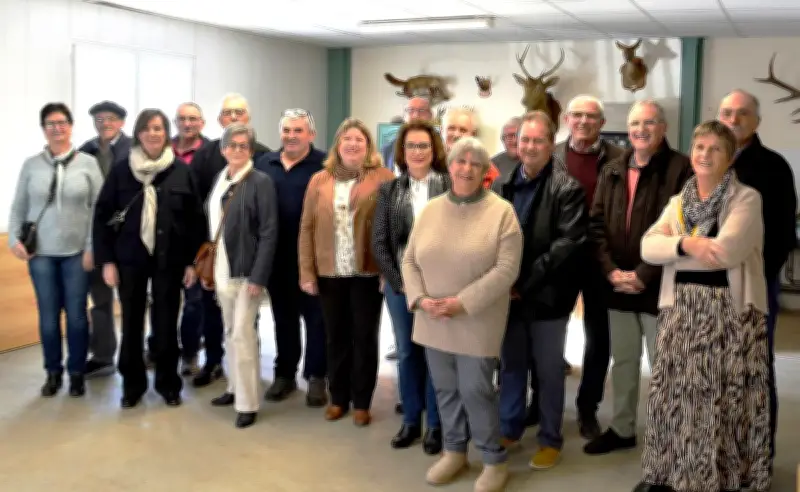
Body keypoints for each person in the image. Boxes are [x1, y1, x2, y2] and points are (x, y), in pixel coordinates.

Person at [634, 120, 770, 492]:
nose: (705, 155)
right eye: (700, 147)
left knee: (721, 398)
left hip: (728, 315)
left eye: (715, 149)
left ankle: (722, 476)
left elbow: (725, 253)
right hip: (680, 313)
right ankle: (670, 473)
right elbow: (647, 247)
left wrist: (673, 248)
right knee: (675, 396)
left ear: (729, 158)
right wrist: (688, 246)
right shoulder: (678, 202)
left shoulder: (746, 199)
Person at [402, 136, 523, 492]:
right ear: (450, 166)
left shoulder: (502, 212)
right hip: (432, 317)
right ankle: (454, 452)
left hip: (476, 319)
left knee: (476, 390)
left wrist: (461, 302)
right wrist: (421, 300)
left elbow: (506, 270)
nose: (466, 168)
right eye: (460, 161)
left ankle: (492, 459)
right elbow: (409, 259)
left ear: (486, 170)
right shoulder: (431, 209)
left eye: (475, 163)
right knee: (445, 389)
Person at [584, 100, 692, 455]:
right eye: (634, 123)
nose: (640, 130)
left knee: (664, 367)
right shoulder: (612, 169)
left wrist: (643, 274)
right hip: (617, 286)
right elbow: (596, 225)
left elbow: (681, 229)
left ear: (662, 128)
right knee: (624, 360)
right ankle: (622, 428)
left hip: (659, 287)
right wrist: (611, 271)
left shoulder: (681, 169)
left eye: (649, 123)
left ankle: (668, 439)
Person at [92, 109, 206, 408]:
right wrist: (107, 261)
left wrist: (193, 262)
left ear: (166, 134)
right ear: (138, 133)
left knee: (167, 322)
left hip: (170, 261)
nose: (153, 133)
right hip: (129, 260)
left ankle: (168, 385)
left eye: (159, 128)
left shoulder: (182, 171)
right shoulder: (121, 170)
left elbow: (196, 221)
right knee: (131, 323)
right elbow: (102, 216)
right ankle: (132, 386)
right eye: (147, 128)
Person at [496, 111, 588, 470]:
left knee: (548, 371)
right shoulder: (503, 184)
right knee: (512, 366)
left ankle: (550, 438)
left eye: (538, 140)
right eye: (524, 140)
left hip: (548, 296)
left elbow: (567, 244)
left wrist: (523, 282)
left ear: (551, 145)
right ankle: (511, 427)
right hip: (510, 296)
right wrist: (505, 283)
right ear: (515, 143)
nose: (530, 146)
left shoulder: (568, 188)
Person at [298, 118, 395, 426]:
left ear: (368, 146)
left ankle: (363, 401)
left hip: (367, 272)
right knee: (335, 336)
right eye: (347, 139)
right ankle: (339, 397)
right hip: (329, 272)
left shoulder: (383, 178)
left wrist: (388, 270)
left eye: (359, 139)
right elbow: (307, 227)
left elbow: (392, 227)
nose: (353, 144)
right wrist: (307, 271)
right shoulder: (319, 180)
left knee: (364, 337)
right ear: (338, 144)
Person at [717, 89, 797, 459]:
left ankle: (757, 455)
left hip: (754, 287)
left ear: (757, 121)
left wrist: (756, 279)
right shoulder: (704, 160)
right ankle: (719, 453)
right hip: (707, 289)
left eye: (742, 113)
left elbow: (781, 234)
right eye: (727, 112)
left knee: (755, 373)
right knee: (716, 373)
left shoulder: (773, 166)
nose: (733, 119)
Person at [8, 102, 103, 397]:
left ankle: (76, 372)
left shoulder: (88, 163)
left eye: (62, 122)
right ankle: (52, 372)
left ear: (71, 126)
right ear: (43, 129)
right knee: (48, 318)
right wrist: (14, 240)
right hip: (41, 256)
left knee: (76, 317)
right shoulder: (31, 165)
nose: (57, 128)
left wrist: (91, 248)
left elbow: (99, 210)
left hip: (77, 254)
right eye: (50, 123)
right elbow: (19, 207)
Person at [372, 119, 450, 455]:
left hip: (441, 286)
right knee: (407, 354)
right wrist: (401, 284)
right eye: (411, 146)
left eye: (423, 146)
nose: (417, 152)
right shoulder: (390, 190)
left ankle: (435, 425)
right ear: (402, 152)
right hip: (401, 286)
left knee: (435, 355)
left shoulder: (450, 185)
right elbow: (380, 243)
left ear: (434, 150)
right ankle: (410, 421)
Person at [189, 93, 272, 388]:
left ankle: (248, 377)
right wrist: (200, 256)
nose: (233, 117)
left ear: (247, 117)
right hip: (214, 255)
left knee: (246, 326)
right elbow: (196, 204)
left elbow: (265, 219)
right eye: (227, 113)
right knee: (214, 316)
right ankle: (214, 363)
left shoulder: (263, 156)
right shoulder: (206, 155)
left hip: (246, 258)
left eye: (239, 112)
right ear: (219, 120)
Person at [554, 94, 624, 439]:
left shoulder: (620, 159)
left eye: (591, 117)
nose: (584, 121)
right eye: (577, 115)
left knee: (600, 338)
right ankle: (543, 401)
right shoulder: (550, 155)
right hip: (558, 261)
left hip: (600, 261)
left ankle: (587, 408)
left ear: (602, 123)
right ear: (567, 119)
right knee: (552, 333)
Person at [206, 123, 278, 429]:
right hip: (221, 270)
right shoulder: (219, 179)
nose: (237, 150)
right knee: (228, 333)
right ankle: (234, 387)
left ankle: (248, 403)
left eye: (243, 146)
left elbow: (269, 231)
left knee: (242, 334)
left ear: (251, 150)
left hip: (247, 273)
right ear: (223, 149)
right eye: (231, 145)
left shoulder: (260, 181)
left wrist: (259, 276)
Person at [256, 109, 328, 407]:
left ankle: (316, 377)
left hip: (313, 257)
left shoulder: (325, 164)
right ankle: (284, 374)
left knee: (316, 319)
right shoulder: (264, 163)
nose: (292, 136)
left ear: (311, 134)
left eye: (298, 130)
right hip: (276, 257)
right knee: (283, 319)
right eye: (287, 130)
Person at [79, 100, 131, 378]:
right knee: (99, 298)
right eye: (99, 119)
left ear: (122, 122)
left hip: (129, 235)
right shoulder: (85, 150)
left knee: (133, 301)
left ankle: (134, 357)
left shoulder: (134, 148)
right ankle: (102, 356)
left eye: (110, 118)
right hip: (97, 233)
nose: (105, 124)